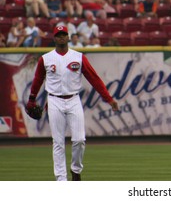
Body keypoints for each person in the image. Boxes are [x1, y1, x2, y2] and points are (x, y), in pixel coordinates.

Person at [26, 25, 118, 181]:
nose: (61, 37)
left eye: (64, 34)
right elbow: (37, 80)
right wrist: (31, 99)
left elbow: (94, 79)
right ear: (54, 38)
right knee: (58, 142)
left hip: (74, 99)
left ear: (68, 37)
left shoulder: (79, 57)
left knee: (79, 140)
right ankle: (61, 179)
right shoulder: (46, 59)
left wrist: (108, 98)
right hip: (54, 100)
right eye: (58, 35)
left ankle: (76, 170)